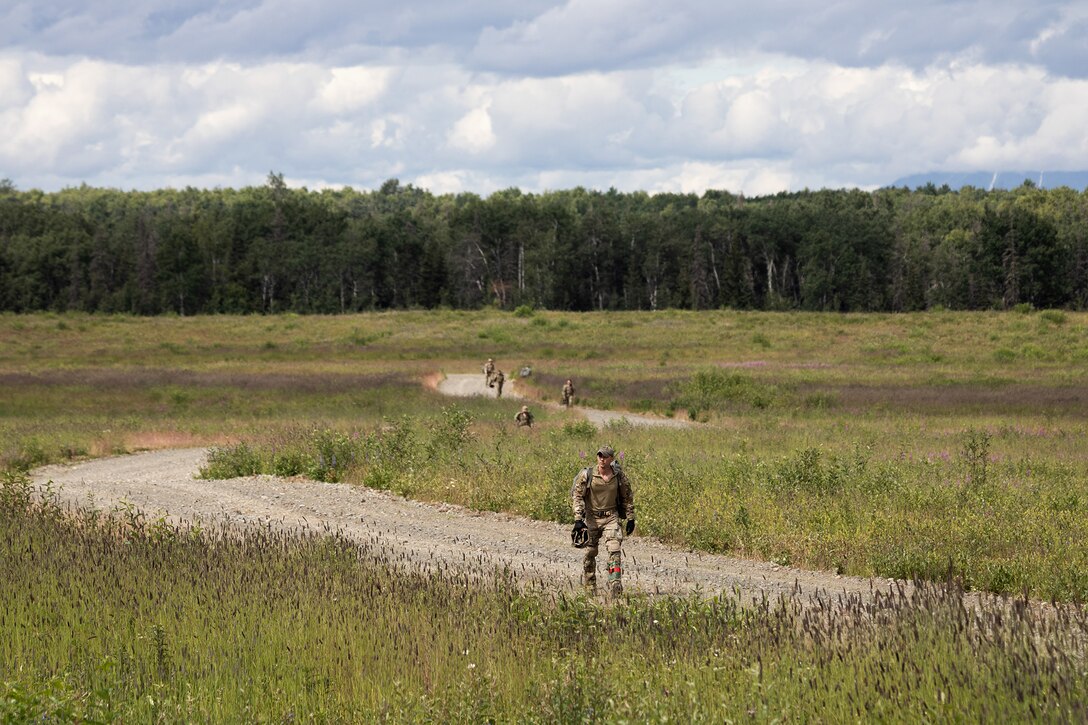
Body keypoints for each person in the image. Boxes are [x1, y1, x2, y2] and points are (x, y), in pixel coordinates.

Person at [571, 445, 635, 595]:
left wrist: (630, 517)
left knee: (614, 550)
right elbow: (578, 496)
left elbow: (627, 496)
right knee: (590, 553)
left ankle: (615, 585)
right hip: (592, 518)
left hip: (611, 517)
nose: (602, 459)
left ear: (611, 459)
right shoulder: (588, 475)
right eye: (600, 456)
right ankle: (590, 585)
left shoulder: (618, 476)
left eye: (605, 456)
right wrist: (578, 519)